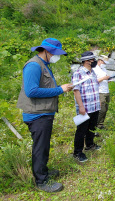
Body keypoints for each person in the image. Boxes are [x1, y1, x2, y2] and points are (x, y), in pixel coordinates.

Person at [17, 38, 73, 193]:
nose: (57, 56)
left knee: (44, 146)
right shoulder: (34, 65)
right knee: (40, 148)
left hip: (44, 113)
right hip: (37, 115)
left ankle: (44, 171)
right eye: (55, 53)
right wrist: (60, 89)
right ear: (46, 51)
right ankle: (41, 180)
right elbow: (31, 91)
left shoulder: (44, 65)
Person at [72, 51, 103, 163]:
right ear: (86, 61)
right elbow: (76, 91)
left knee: (92, 127)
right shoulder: (78, 73)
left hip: (94, 105)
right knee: (81, 130)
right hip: (84, 107)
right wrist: (81, 106)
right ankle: (77, 152)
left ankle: (89, 144)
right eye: (92, 60)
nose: (94, 61)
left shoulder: (93, 72)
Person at [93, 55, 111, 130]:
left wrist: (108, 79)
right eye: (104, 62)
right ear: (100, 61)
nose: (105, 64)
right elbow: (94, 81)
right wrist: (103, 78)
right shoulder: (94, 70)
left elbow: (104, 79)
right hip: (100, 91)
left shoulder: (104, 69)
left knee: (105, 109)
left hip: (106, 90)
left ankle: (101, 124)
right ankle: (95, 125)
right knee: (101, 109)